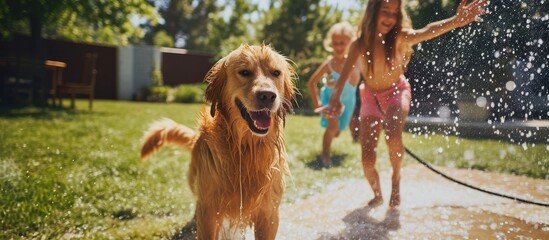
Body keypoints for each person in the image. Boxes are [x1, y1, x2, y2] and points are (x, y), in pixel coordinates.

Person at [327, 0, 488, 207]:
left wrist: (455, 21)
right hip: (369, 96)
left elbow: (427, 30)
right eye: (385, 12)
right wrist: (334, 99)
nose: (390, 18)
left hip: (396, 92)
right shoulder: (359, 44)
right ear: (373, 13)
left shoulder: (400, 37)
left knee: (393, 136)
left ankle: (396, 178)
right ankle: (377, 194)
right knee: (367, 158)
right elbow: (344, 75)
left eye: (395, 13)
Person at [307, 21, 361, 167]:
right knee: (333, 126)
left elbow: (356, 80)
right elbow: (311, 83)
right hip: (330, 101)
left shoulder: (355, 62)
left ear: (351, 43)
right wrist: (318, 104)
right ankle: (325, 155)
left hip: (348, 102)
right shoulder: (329, 63)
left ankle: (332, 139)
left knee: (337, 130)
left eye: (343, 43)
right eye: (335, 43)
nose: (338, 47)